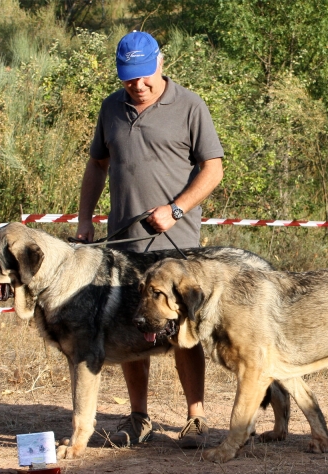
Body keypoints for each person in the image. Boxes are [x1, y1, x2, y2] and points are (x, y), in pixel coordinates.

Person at [75, 31, 224, 449]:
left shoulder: (190, 105)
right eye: (128, 79)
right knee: (131, 328)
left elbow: (212, 169)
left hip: (175, 247)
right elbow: (97, 166)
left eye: (144, 77)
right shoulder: (111, 108)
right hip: (123, 248)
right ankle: (138, 417)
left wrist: (176, 209)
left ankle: (195, 418)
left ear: (161, 64)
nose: (137, 86)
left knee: (182, 332)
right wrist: (86, 219)